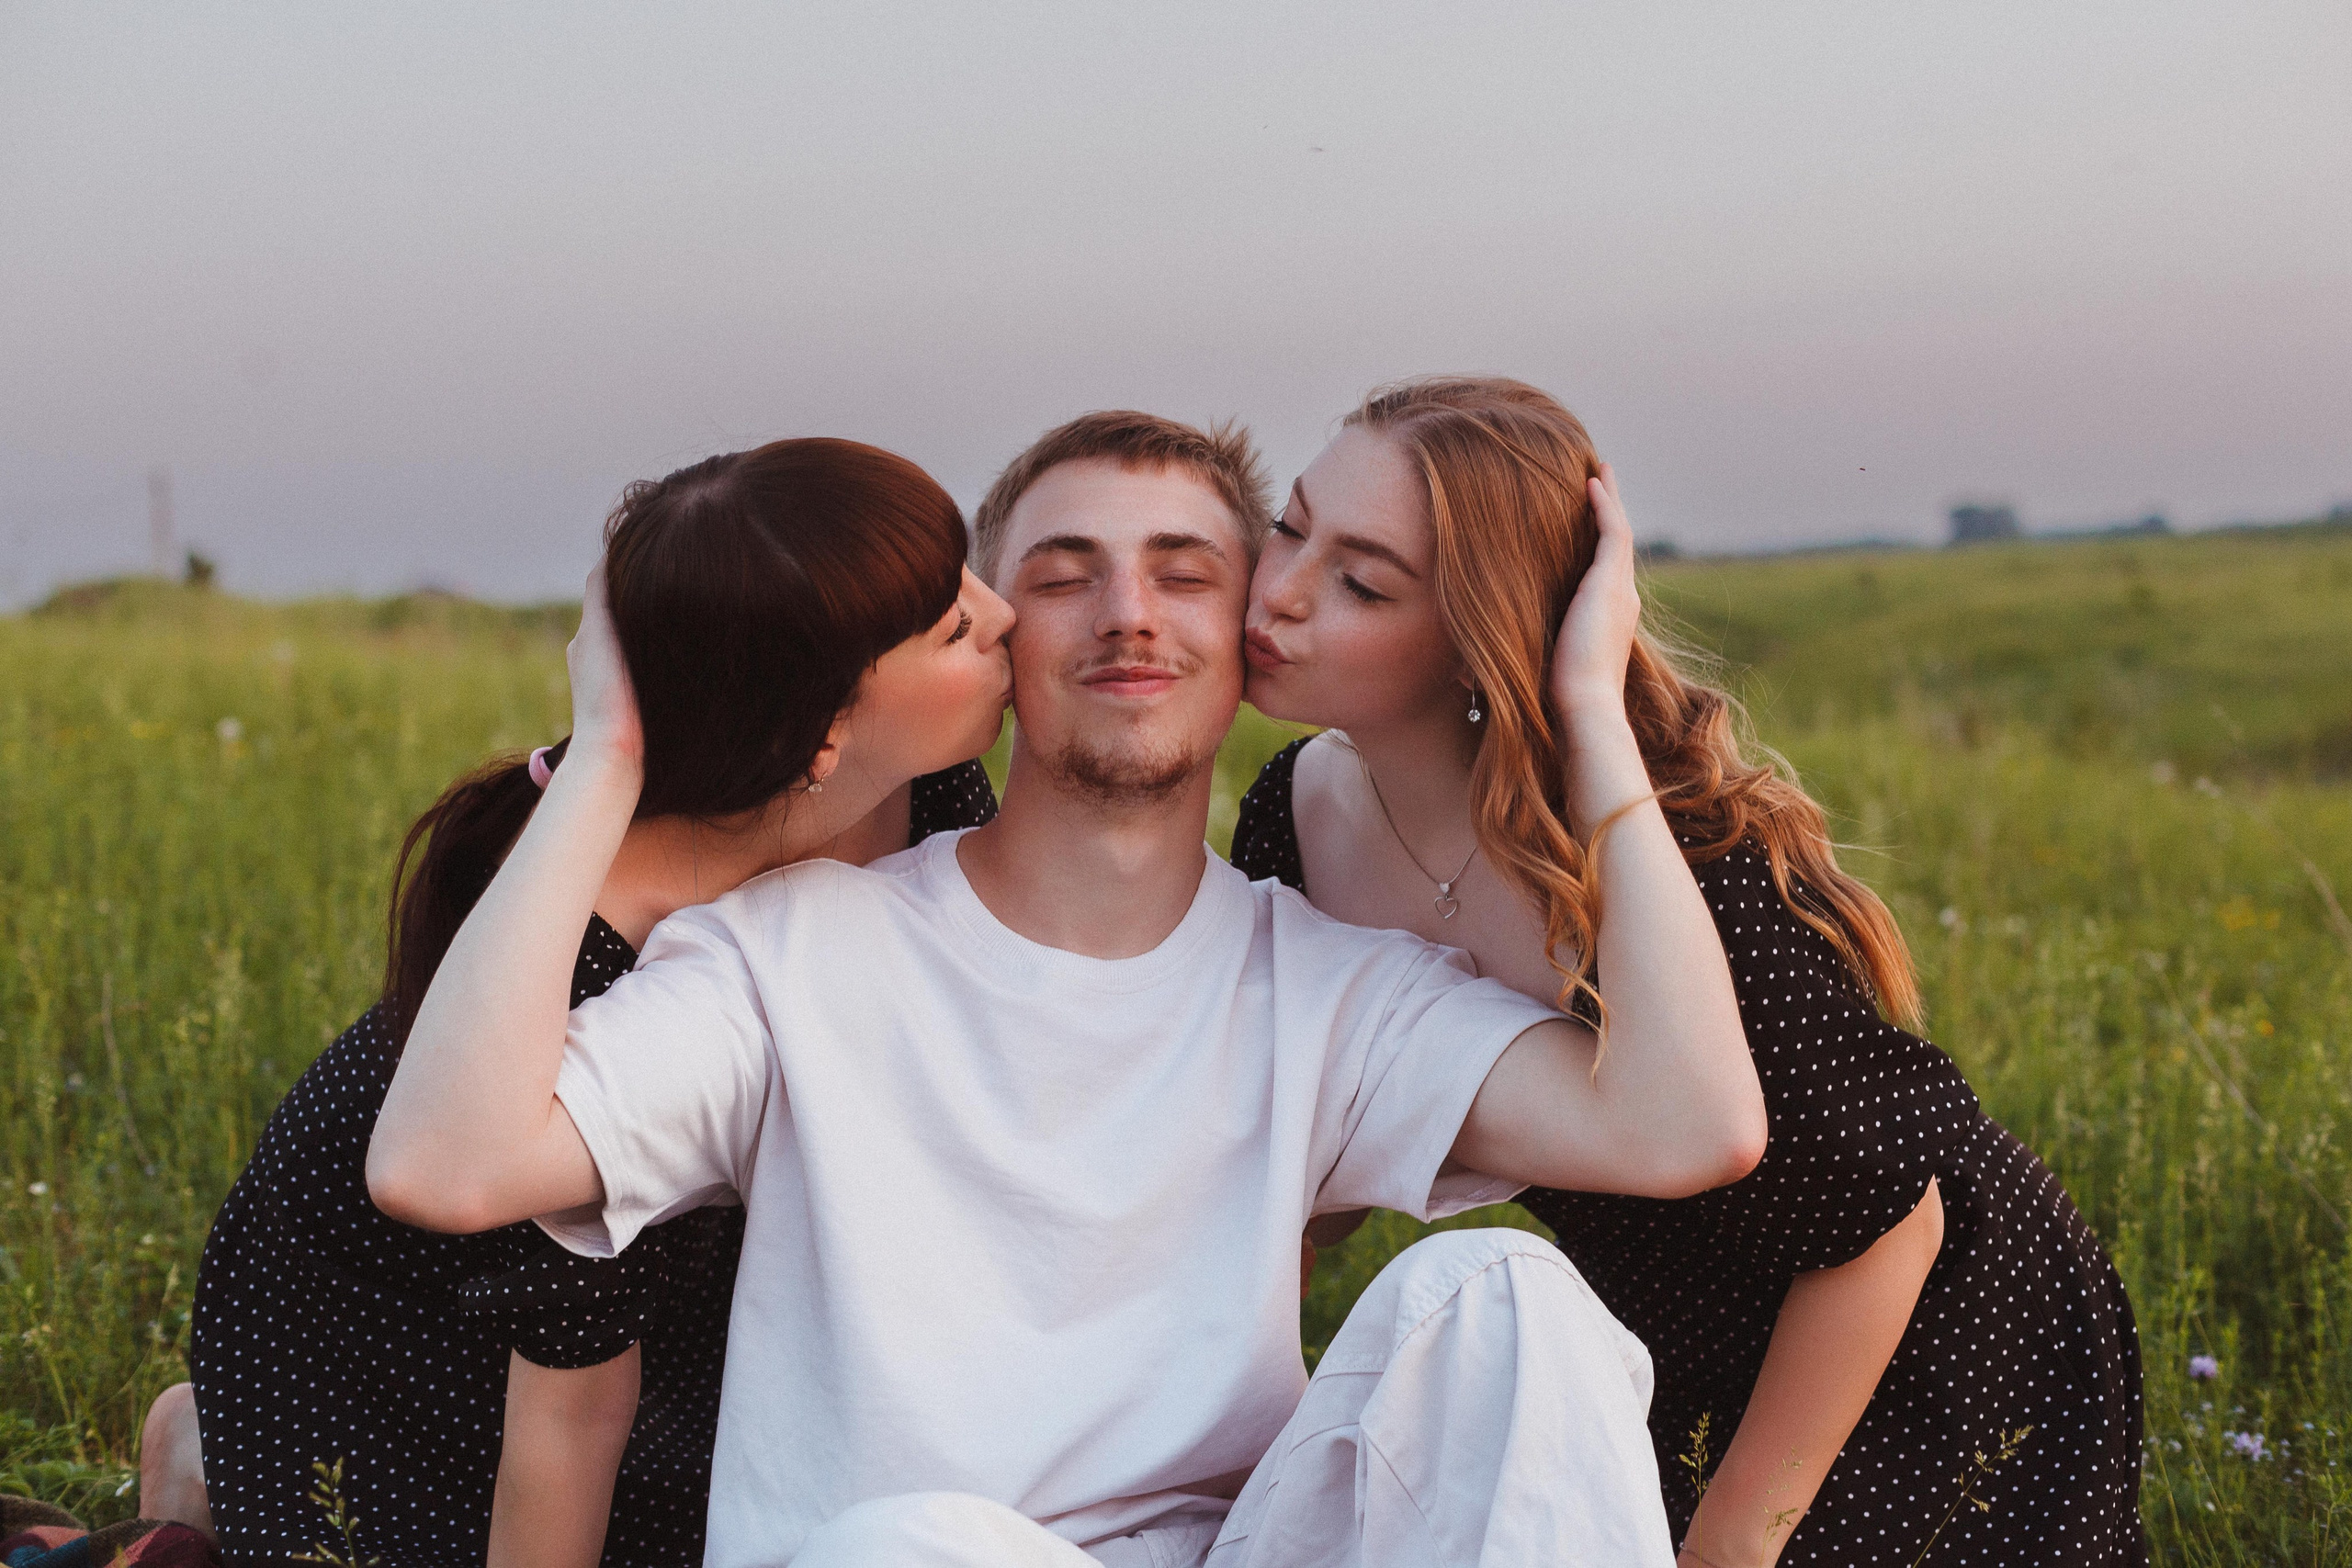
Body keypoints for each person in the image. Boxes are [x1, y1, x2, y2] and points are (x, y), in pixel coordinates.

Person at [368, 410, 1769, 1567]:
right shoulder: (793, 955)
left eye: (1182, 570)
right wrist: (609, 755)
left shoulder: (1328, 989)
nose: (1126, 615)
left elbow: (1684, 1125)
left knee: (1501, 1289)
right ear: (990, 636)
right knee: (925, 1547)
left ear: (1253, 637)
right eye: (1062, 572)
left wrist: (1589, 715)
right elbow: (449, 1159)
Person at [1230, 376, 2147, 1568]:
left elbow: (1883, 1221)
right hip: (1648, 1318)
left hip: (1920, 1328)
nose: (1280, 594)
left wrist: (1734, 1543)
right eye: (1291, 526)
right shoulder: (1290, 825)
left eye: (1360, 581)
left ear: (1478, 638)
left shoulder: (1662, 879)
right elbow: (1320, 1158)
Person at [147, 438, 1014, 1567]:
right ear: (821, 731)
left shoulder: (929, 783)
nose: (1000, 614)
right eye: (953, 625)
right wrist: (608, 745)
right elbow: (567, 1418)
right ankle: (208, 1463)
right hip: (410, 1357)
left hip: (689, 1313)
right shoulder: (597, 961)